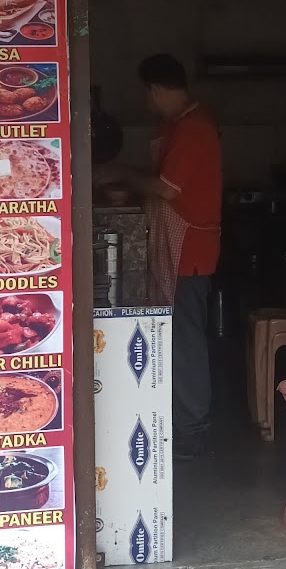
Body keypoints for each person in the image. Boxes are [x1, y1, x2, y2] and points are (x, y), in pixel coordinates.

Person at [98, 54, 222, 457]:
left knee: (185, 339)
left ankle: (194, 429)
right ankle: (184, 422)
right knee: (180, 336)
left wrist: (121, 173)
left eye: (146, 93)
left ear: (155, 89)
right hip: (177, 246)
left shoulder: (194, 128)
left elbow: (167, 188)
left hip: (189, 251)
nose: (145, 102)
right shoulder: (176, 127)